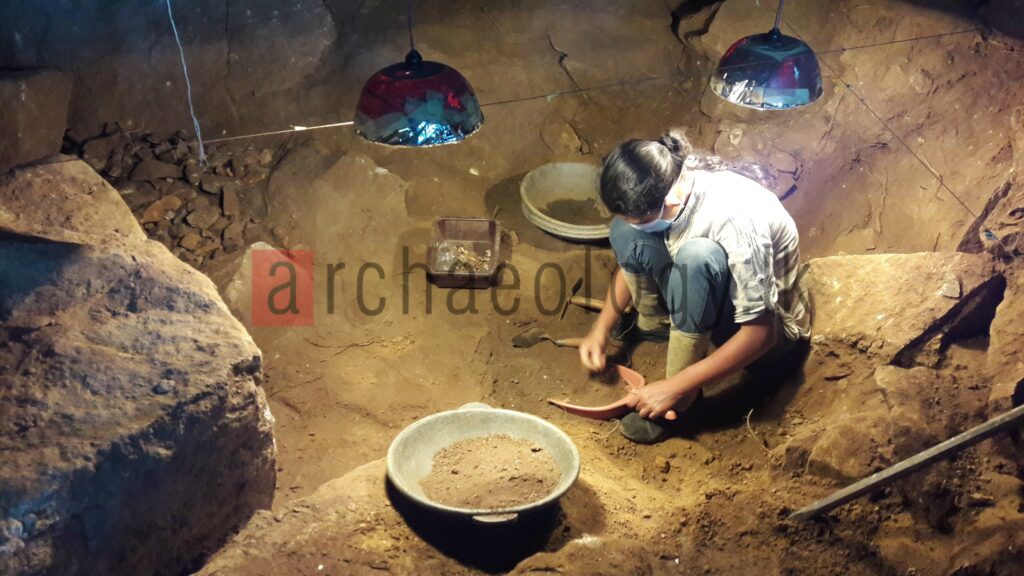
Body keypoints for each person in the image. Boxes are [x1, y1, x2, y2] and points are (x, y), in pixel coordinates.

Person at [578, 129, 810, 444]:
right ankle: (658, 326)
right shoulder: (670, 180)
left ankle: (681, 405)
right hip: (708, 289)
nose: (636, 224)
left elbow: (762, 335)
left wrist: (673, 387)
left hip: (772, 337)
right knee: (624, 231)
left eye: (640, 218)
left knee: (697, 257)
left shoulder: (734, 219)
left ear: (669, 200)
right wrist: (601, 328)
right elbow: (633, 253)